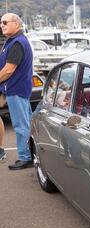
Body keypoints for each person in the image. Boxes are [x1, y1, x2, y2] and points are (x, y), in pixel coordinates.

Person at [0, 13, 34, 170]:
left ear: (17, 24)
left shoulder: (17, 43)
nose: (2, 25)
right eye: (1, 22)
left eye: (5, 22)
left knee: (21, 125)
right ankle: (30, 154)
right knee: (26, 123)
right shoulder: (13, 41)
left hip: (16, 89)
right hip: (17, 88)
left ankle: (25, 157)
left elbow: (8, 70)